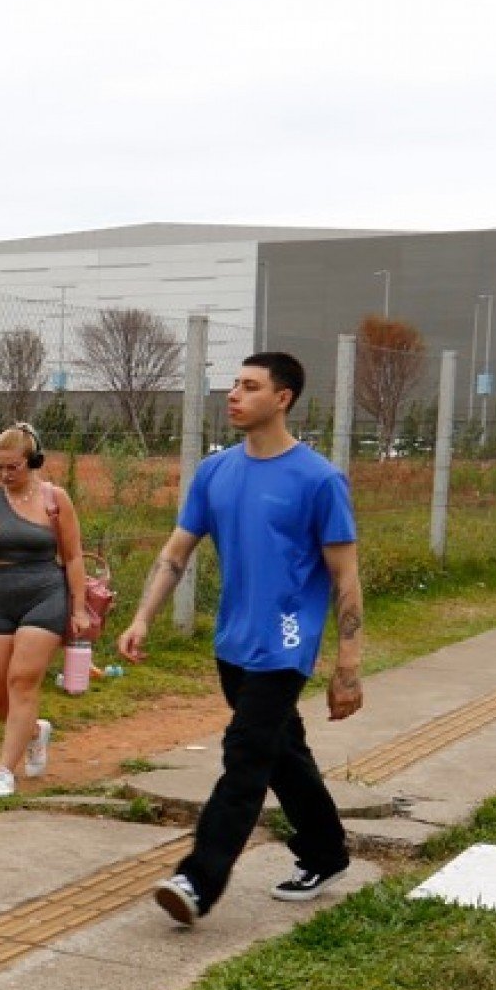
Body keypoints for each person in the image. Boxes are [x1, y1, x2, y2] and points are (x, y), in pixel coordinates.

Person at [116, 351, 364, 926]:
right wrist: (142, 617)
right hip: (233, 642)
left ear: (282, 399)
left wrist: (347, 665)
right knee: (282, 755)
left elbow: (345, 578)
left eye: (249, 386)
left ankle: (198, 881)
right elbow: (176, 552)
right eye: (233, 384)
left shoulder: (319, 479)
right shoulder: (216, 471)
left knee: (246, 755)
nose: (233, 395)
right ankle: (326, 853)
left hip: (285, 641)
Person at [0, 423, 92, 799]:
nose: (4, 474)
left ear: (32, 462)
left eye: (12, 467)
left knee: (22, 680)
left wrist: (78, 608)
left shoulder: (54, 499)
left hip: (44, 594)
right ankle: (34, 732)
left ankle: (4, 771)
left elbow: (73, 555)